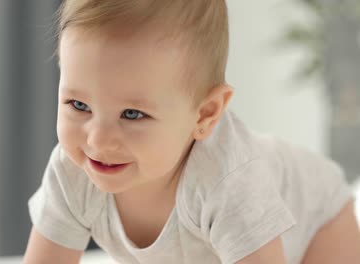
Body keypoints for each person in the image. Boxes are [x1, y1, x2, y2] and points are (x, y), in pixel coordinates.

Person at [22, 0, 360, 263]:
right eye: (78, 105)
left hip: (319, 222)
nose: (97, 140)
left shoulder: (228, 181)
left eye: (132, 114)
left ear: (206, 114)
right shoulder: (72, 172)